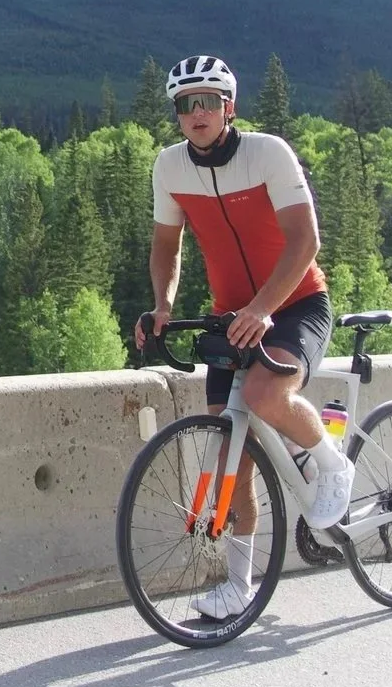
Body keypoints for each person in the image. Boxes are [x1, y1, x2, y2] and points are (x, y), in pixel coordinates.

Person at [136, 53, 349, 619]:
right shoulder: (170, 167)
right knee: (230, 453)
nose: (197, 113)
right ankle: (238, 586)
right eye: (186, 104)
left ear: (228, 107)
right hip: (232, 315)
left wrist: (262, 307)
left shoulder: (267, 153)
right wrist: (162, 306)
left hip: (297, 303)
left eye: (208, 101)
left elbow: (305, 241)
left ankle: (332, 463)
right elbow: (166, 246)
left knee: (262, 394)